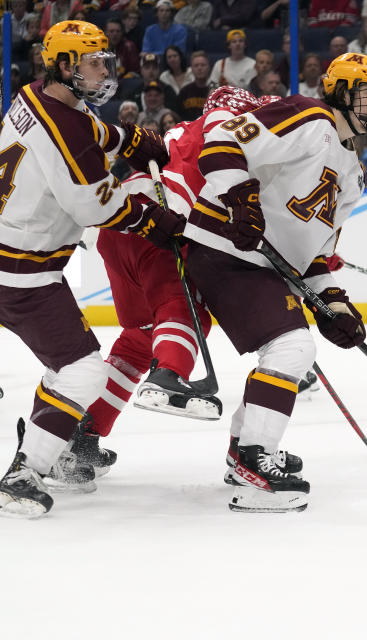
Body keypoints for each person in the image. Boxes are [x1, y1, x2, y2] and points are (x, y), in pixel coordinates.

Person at [179, 53, 367, 512]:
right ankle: (254, 464)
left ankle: (245, 451)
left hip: (262, 263)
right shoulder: (309, 117)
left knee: (293, 347)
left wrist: (336, 303)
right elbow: (220, 142)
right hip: (223, 246)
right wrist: (240, 199)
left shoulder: (353, 176)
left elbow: (314, 253)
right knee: (293, 347)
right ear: (340, 93)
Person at [0, 21, 182, 517]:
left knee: (69, 367)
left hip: (14, 257)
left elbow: (88, 129)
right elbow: (96, 206)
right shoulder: (64, 127)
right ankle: (24, 476)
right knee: (82, 373)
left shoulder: (38, 96)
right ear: (64, 66)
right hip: (21, 274)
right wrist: (152, 218)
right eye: (92, 61)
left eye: (103, 58)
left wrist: (127, 138)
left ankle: (50, 439)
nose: (105, 68)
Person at [85, 88, 272, 460]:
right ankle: (168, 377)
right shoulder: (234, 131)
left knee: (140, 338)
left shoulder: (183, 128)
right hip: (163, 225)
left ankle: (81, 435)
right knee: (185, 312)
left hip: (122, 222)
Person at [178, 51, 216, 119]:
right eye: (196, 65)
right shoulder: (184, 92)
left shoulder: (216, 92)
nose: (199, 68)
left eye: (203, 65)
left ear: (209, 67)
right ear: (191, 69)